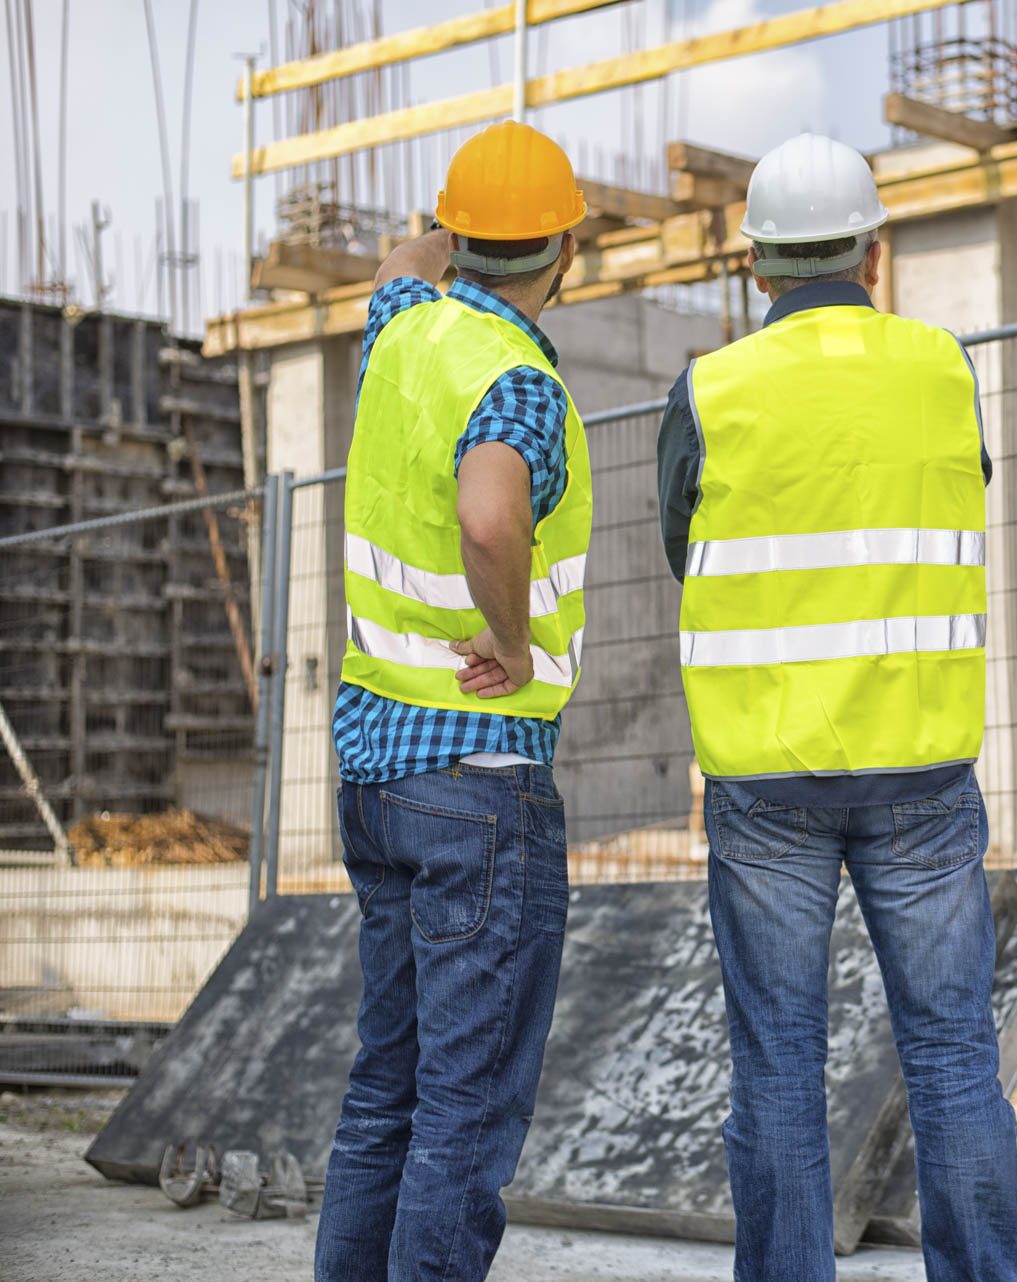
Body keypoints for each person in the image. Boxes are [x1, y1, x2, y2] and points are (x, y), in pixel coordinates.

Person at [657, 133, 1017, 1282]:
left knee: (778, 1068)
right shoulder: (941, 367)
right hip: (919, 765)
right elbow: (962, 493)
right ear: (875, 247)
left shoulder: (711, 387)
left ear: (755, 264)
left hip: (766, 777)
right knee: (955, 1058)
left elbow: (686, 548)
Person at [314, 120, 592, 1282]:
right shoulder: (516, 380)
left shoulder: (403, 332)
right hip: (477, 781)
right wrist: (515, 641)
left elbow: (393, 273)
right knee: (464, 1115)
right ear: (567, 252)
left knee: (387, 1086)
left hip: (376, 771)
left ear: (461, 237)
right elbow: (491, 516)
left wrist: (433, 240)